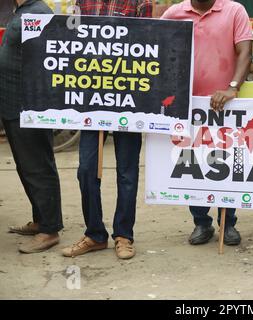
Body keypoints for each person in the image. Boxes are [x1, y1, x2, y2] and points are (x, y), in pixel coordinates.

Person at [61, 0, 152, 259]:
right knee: (86, 169)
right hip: (92, 99)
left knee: (127, 172)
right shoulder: (83, 1)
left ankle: (124, 235)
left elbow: (146, 44)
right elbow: (71, 39)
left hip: (128, 98)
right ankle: (94, 234)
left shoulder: (140, 2)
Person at [161, 0, 252, 246]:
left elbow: (245, 51)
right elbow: (156, 46)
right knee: (193, 164)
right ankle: (201, 222)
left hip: (225, 106)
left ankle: (228, 222)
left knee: (225, 163)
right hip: (188, 107)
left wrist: (232, 88)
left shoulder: (235, 11)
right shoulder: (174, 13)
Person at [2, 0, 63, 253]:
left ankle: (50, 230)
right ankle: (41, 220)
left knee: (38, 167)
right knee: (27, 167)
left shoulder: (38, 12)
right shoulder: (22, 11)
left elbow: (48, 56)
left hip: (27, 106)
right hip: (13, 103)